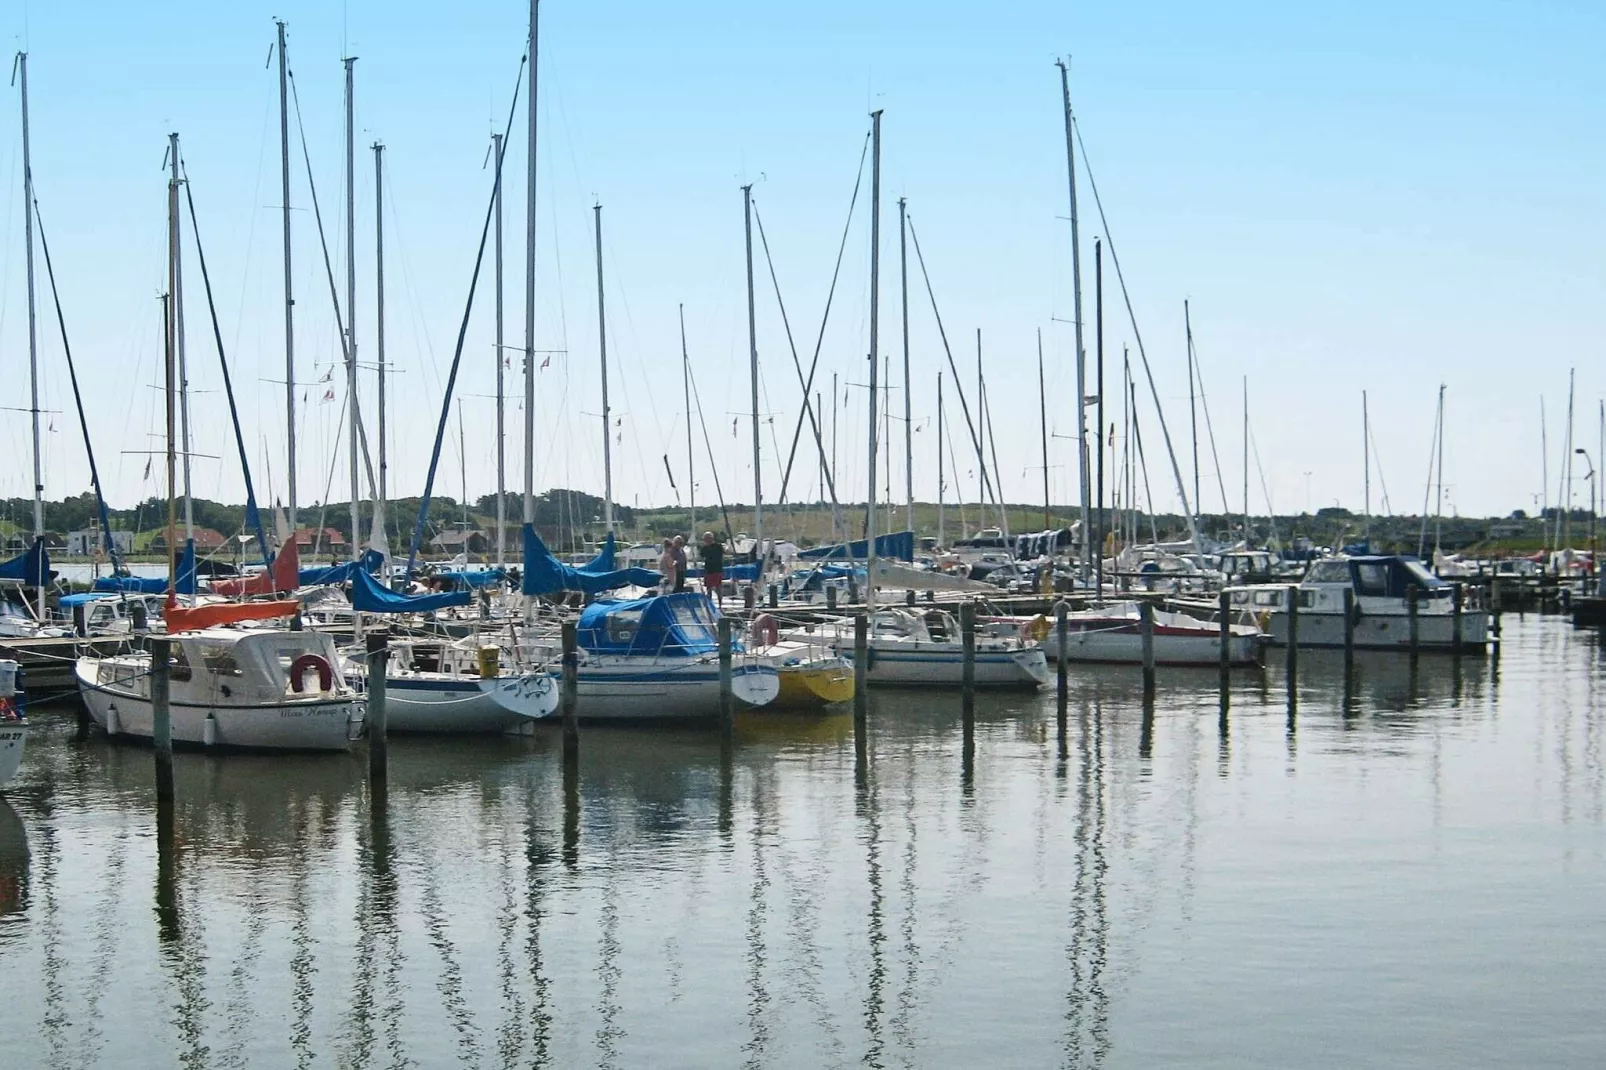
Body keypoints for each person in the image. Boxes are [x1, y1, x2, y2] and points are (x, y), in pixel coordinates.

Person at [699, 532, 724, 605]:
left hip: (717, 570)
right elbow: (701, 556)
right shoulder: (704, 548)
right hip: (708, 570)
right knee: (708, 588)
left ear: (710, 538)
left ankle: (720, 605)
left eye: (705, 539)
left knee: (718, 588)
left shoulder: (718, 546)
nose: (704, 541)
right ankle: (709, 604)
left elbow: (721, 555)